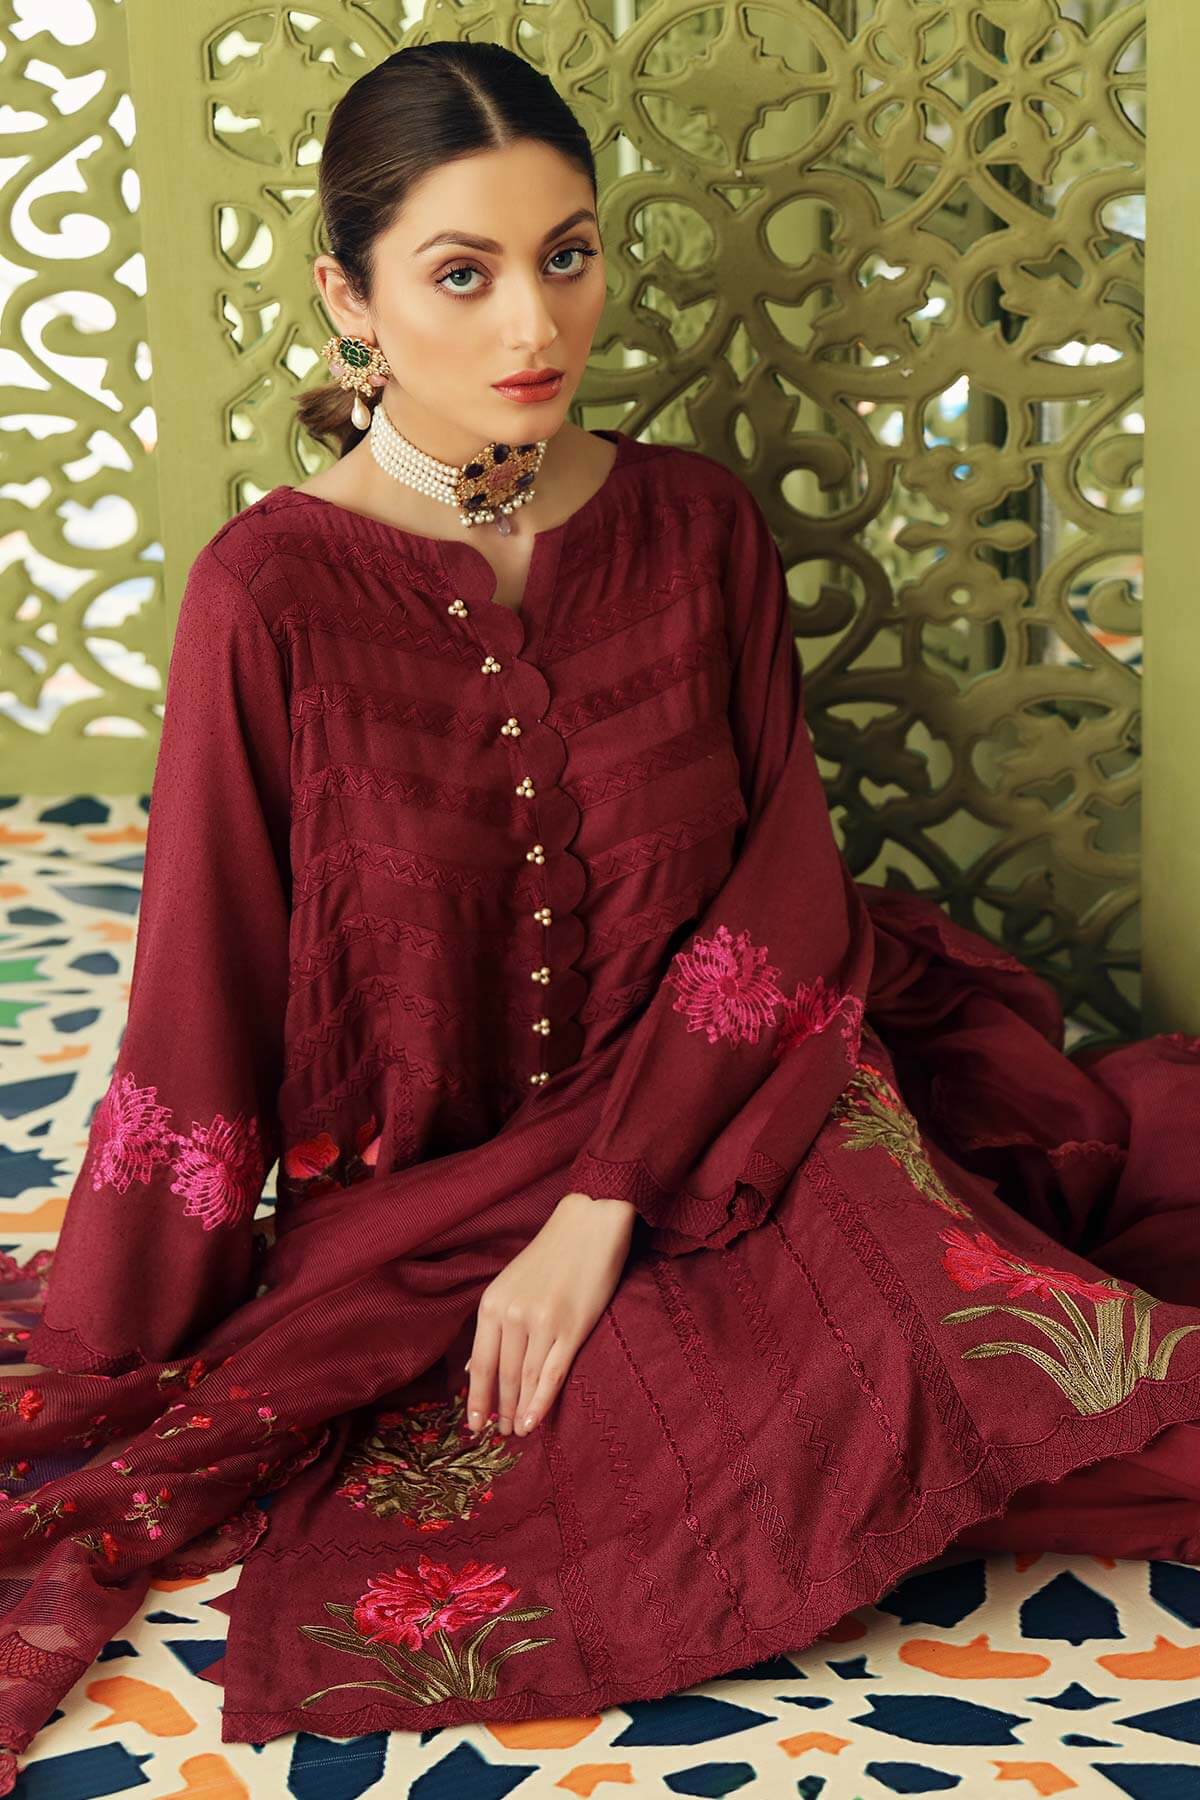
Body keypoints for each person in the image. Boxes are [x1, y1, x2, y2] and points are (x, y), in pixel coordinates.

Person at [0, 38, 1197, 1790]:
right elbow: (205, 995)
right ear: (348, 300)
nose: (532, 324)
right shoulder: (267, 595)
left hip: (756, 1104)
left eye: (566, 255)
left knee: (988, 1360)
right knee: (682, 1458)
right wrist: (116, 1357)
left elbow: (787, 884)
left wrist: (605, 1200)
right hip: (437, 1217)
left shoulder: (693, 526)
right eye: (461, 274)